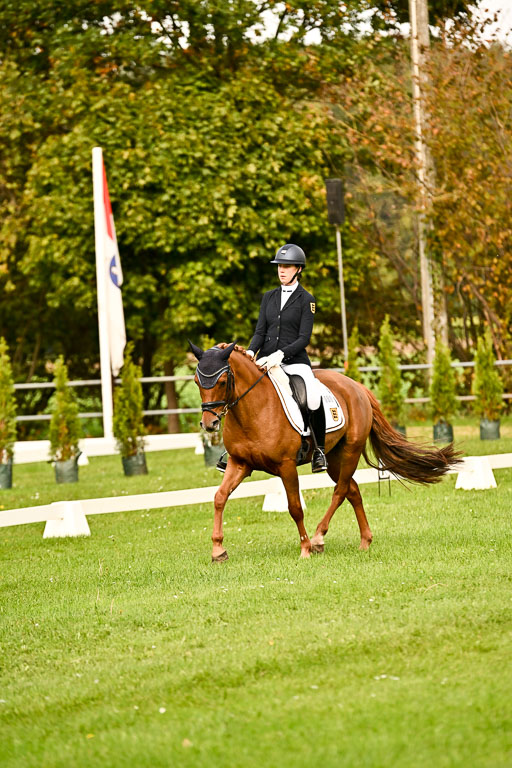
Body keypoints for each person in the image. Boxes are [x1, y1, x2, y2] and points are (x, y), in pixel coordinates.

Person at [246, 243, 327, 473]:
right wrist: (252, 352)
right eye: (280, 265)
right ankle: (237, 448)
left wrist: (282, 354)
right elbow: (260, 331)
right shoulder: (268, 297)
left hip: (295, 362)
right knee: (246, 391)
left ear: (298, 269)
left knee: (312, 397)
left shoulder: (306, 300)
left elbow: (304, 338)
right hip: (266, 360)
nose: (282, 270)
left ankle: (319, 450)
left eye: (287, 266)